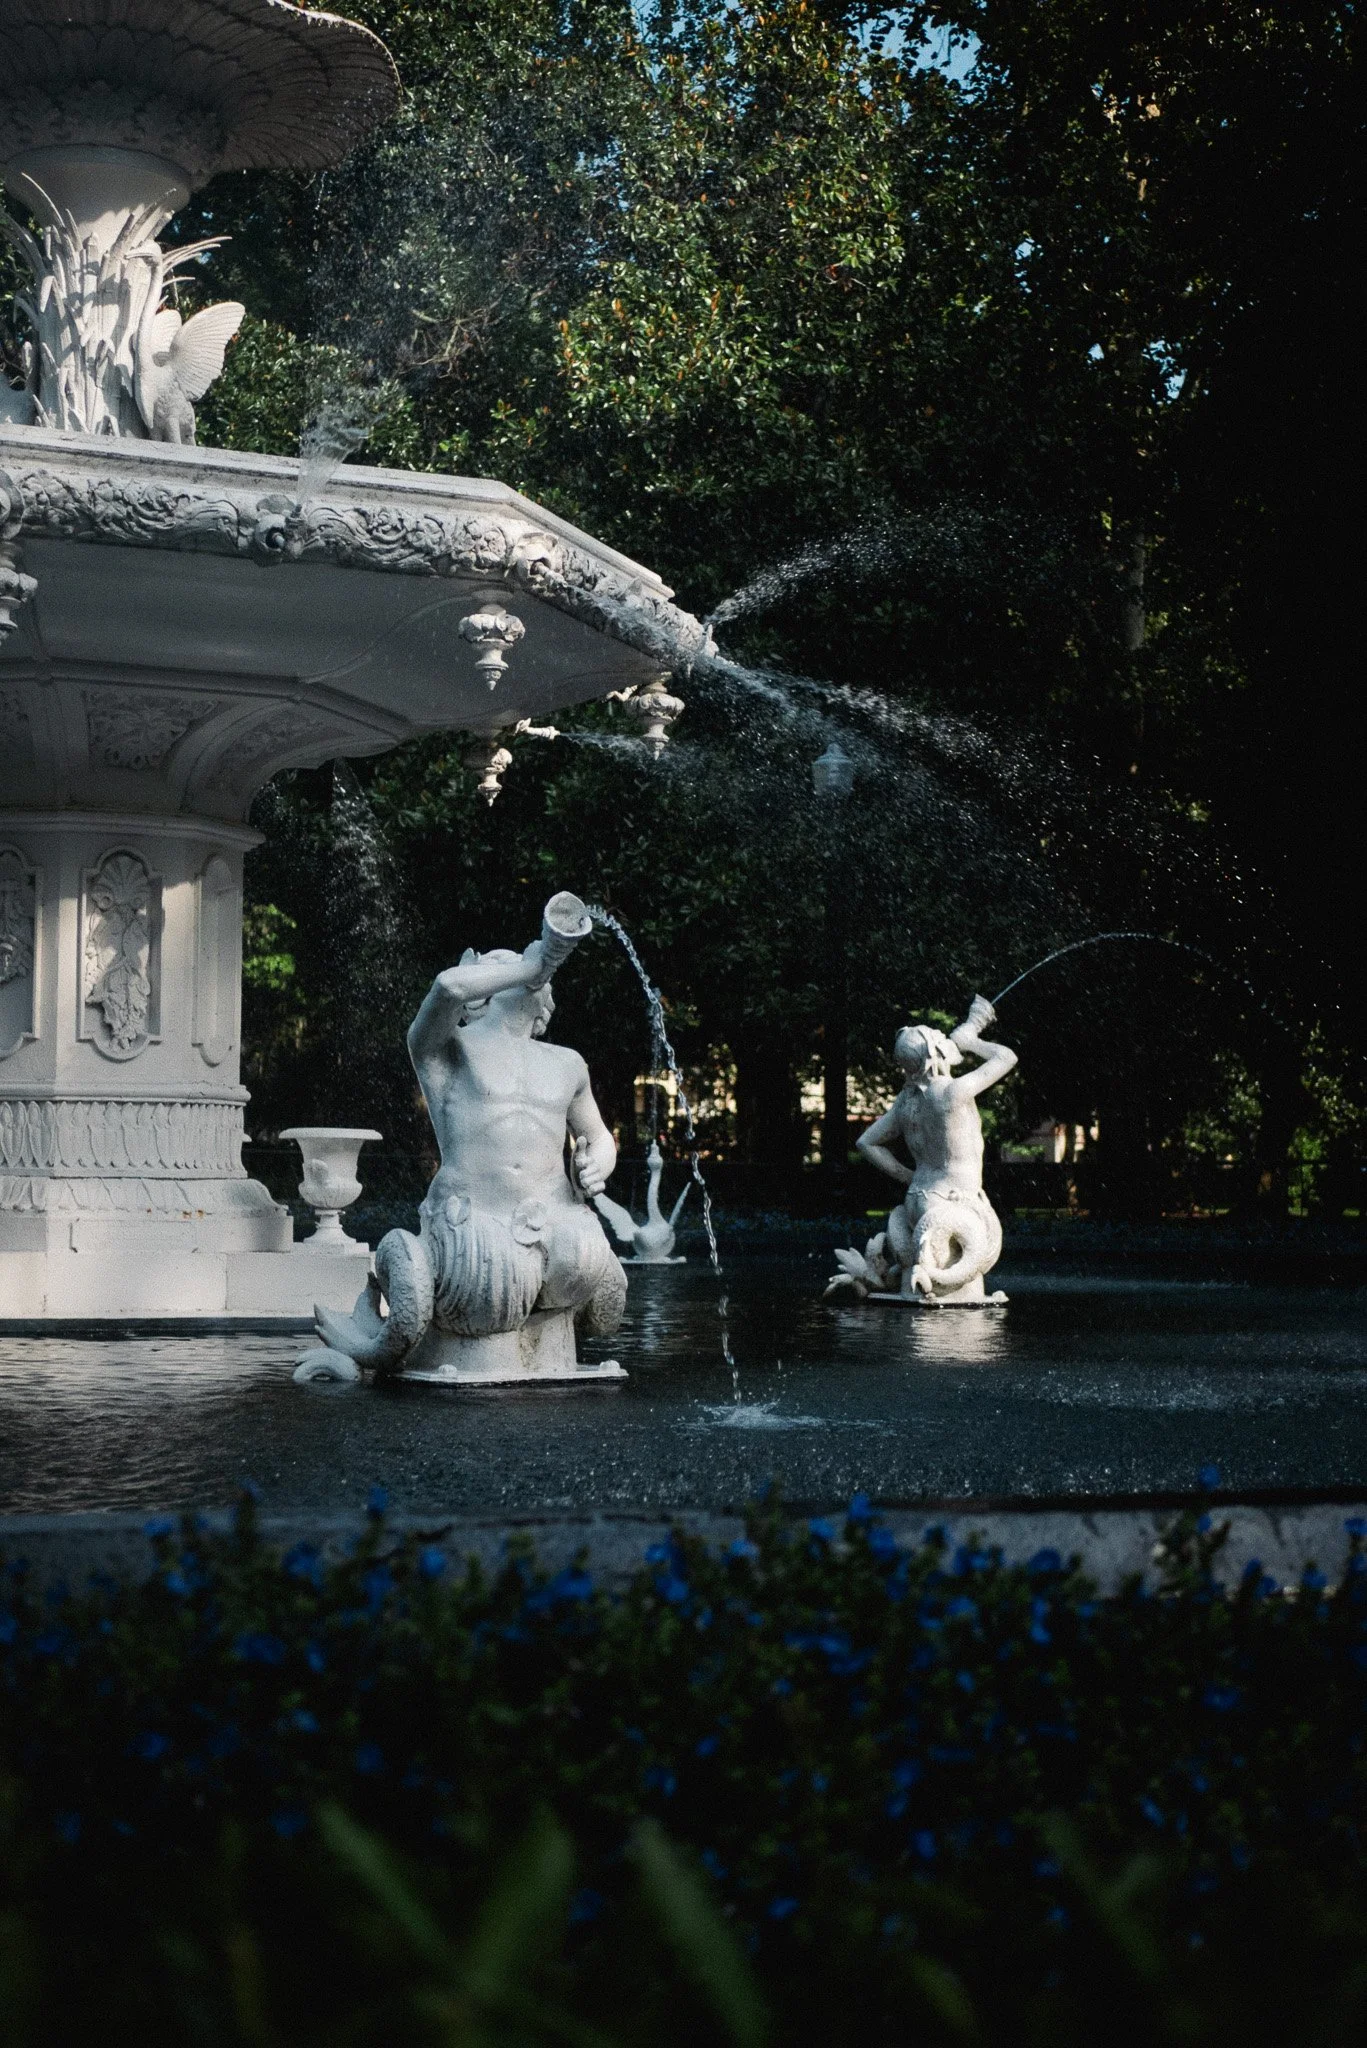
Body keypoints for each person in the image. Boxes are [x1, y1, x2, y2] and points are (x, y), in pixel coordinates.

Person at [314, 897, 626, 1372]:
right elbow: (446, 987)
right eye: (506, 967)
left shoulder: (568, 1063)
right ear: (482, 992)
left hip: (558, 1220)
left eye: (530, 969)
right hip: (475, 1231)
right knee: (488, 1288)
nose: (524, 972)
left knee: (592, 1268)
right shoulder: (446, 1049)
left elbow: (601, 1136)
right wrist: (534, 961)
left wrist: (599, 1160)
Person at [853, 996, 1016, 1303]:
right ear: (934, 1054)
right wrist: (971, 1041)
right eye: (940, 1038)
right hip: (954, 1205)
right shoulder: (953, 1093)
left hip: (916, 1201)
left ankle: (910, 1279)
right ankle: (936, 1282)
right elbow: (1006, 1058)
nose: (946, 1039)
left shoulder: (906, 1102)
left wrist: (907, 1176)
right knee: (963, 1283)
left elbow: (866, 1143)